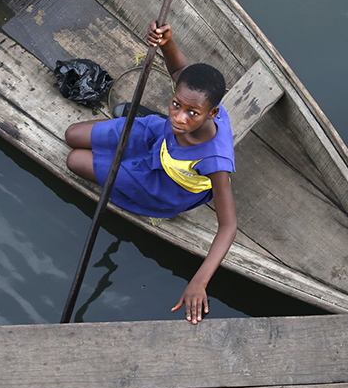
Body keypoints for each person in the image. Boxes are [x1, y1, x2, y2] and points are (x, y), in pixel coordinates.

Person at [64, 20, 237, 324]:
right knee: (72, 134)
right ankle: (144, 125)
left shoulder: (215, 161)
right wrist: (166, 42)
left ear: (212, 113)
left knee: (75, 160)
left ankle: (131, 165)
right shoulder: (188, 106)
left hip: (162, 182)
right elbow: (179, 69)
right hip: (158, 137)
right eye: (175, 104)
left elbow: (228, 226)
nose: (180, 117)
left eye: (192, 113)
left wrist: (199, 281)